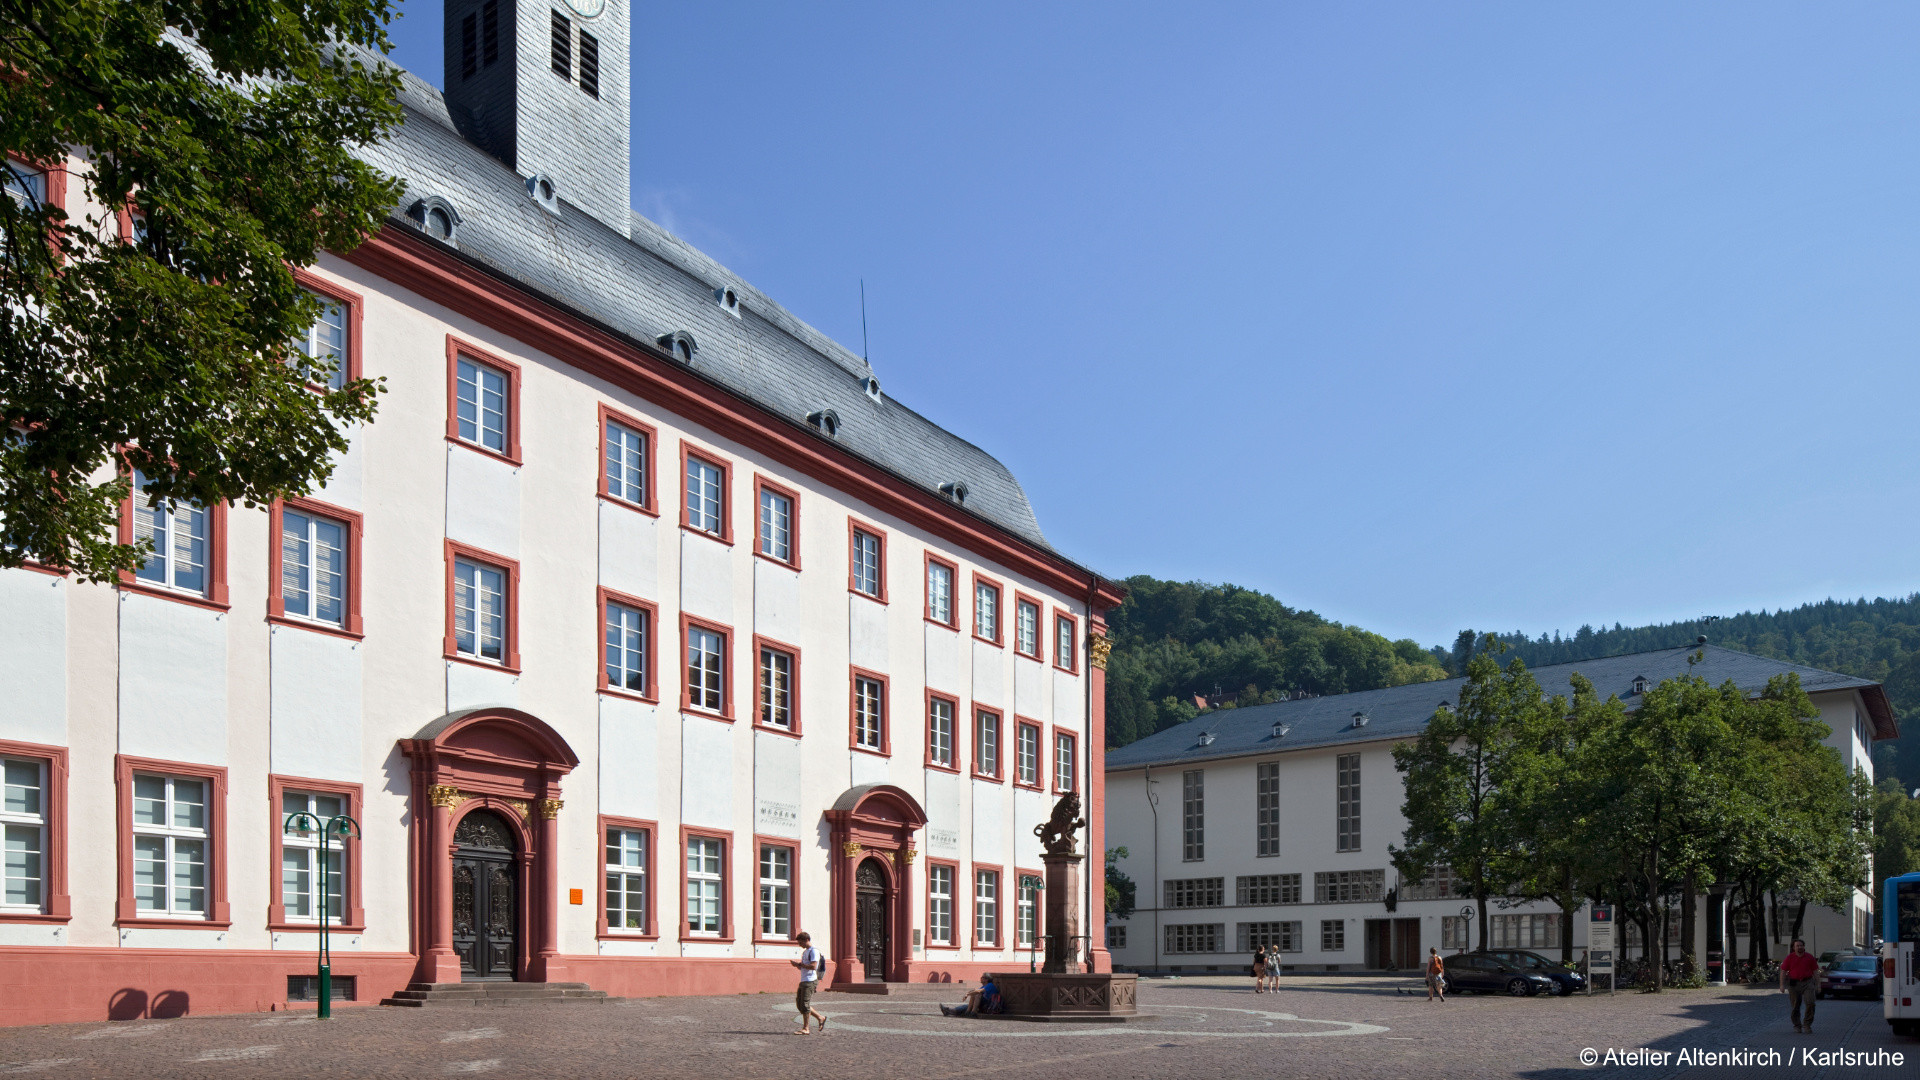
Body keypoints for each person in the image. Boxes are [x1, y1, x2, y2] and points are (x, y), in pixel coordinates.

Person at [790, 931, 828, 1034]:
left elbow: (813, 966)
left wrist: (801, 965)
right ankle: (820, 1017)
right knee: (800, 1004)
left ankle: (806, 1028)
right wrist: (798, 965)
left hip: (810, 981)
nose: (799, 945)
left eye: (800, 942)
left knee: (805, 1005)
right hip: (804, 980)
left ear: (806, 940)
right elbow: (806, 966)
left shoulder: (813, 951)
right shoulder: (806, 951)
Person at [1780, 938, 1818, 1033]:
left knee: (1810, 1003)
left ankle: (1807, 1024)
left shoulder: (1809, 957)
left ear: (1804, 947)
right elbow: (1783, 971)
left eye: (1801, 945)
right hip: (1794, 983)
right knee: (1795, 1005)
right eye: (1797, 946)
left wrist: (1818, 984)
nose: (1800, 947)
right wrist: (1782, 985)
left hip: (1807, 982)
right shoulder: (1790, 957)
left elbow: (1815, 972)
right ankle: (1797, 1025)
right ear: (1794, 947)